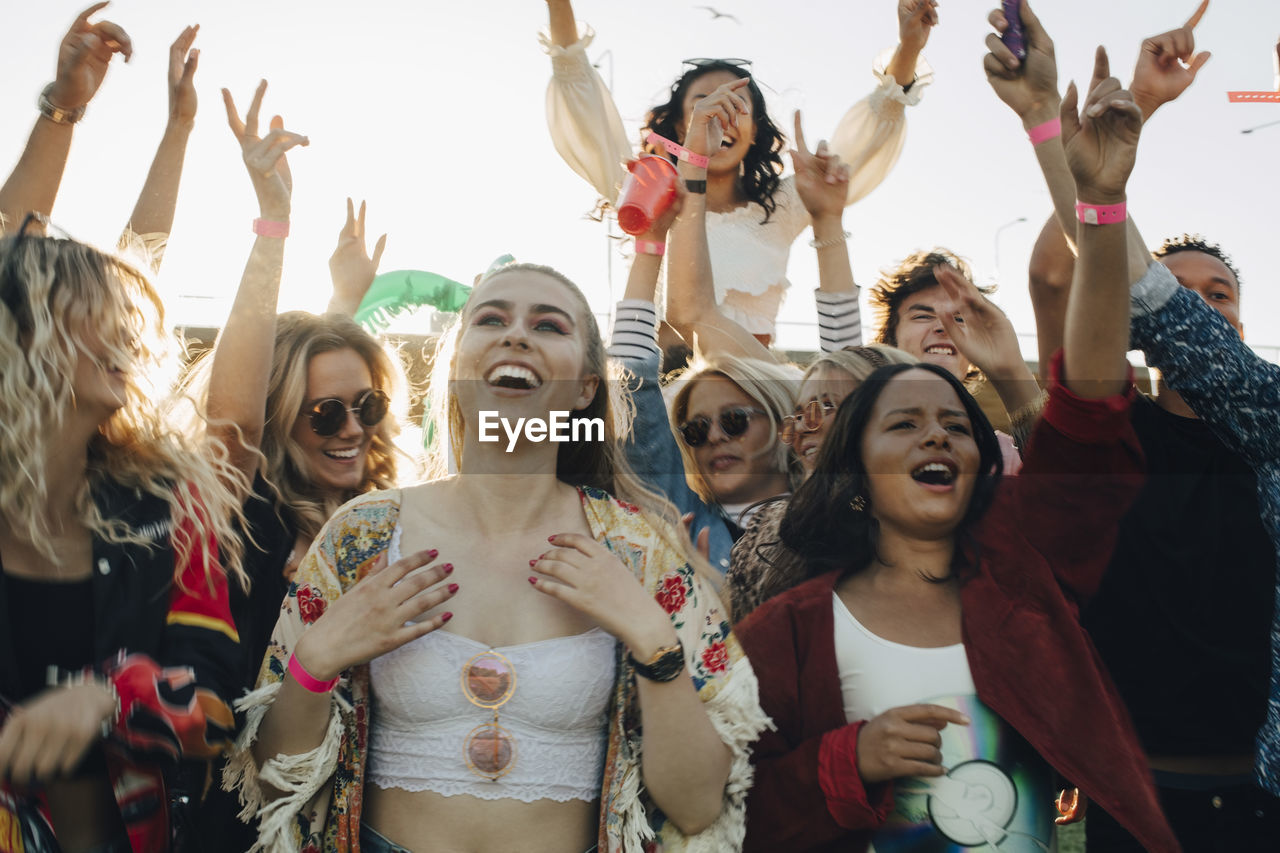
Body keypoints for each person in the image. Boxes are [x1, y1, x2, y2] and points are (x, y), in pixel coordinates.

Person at [734, 48, 1180, 852]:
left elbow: (1086, 408)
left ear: (981, 461)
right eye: (901, 424)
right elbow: (732, 809)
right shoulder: (786, 632)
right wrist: (845, 761)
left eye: (952, 423)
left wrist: (1103, 201)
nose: (936, 431)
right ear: (853, 469)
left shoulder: (1025, 569)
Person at [225, 262, 768, 851]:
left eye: (549, 325)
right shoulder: (363, 534)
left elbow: (696, 808)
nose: (516, 335)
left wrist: (651, 639)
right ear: (458, 366)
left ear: (587, 386)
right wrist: (319, 656)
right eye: (491, 319)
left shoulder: (638, 548)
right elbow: (276, 782)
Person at [993, 2, 1280, 846]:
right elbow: (1079, 264)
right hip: (1148, 795)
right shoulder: (1117, 432)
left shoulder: (1267, 426)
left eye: (1217, 295)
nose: (1192, 307)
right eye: (1177, 296)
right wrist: (1056, 125)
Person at [173, 82, 405, 852]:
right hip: (251, 828)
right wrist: (274, 226)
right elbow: (233, 421)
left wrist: (342, 301)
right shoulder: (248, 521)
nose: (349, 430)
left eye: (365, 408)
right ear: (283, 423)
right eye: (321, 414)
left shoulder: (399, 517)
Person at [0, 224, 247, 853]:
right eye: (93, 316)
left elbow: (219, 712)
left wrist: (109, 696)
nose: (125, 337)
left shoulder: (171, 501)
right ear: (15, 336)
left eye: (125, 318)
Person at [543, 0, 937, 342]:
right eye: (706, 103)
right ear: (682, 126)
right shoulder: (647, 188)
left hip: (748, 408)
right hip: (652, 399)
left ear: (755, 135)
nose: (721, 115)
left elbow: (870, 133)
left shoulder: (783, 204)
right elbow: (583, 99)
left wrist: (908, 48)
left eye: (738, 105)